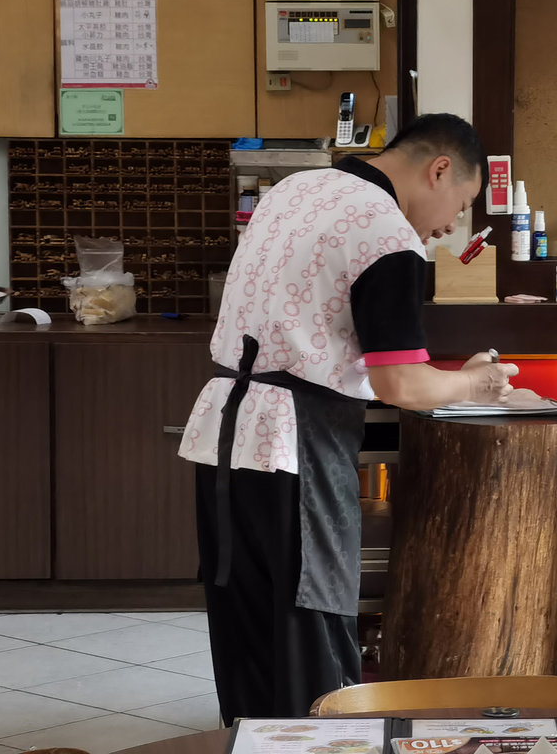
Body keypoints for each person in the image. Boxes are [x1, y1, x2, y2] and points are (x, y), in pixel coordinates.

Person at [178, 112, 519, 724]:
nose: (448, 226)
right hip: (293, 443)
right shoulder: (387, 235)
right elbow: (403, 384)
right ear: (439, 169)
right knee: (309, 636)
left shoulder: (298, 188)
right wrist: (477, 380)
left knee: (248, 626)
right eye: (460, 203)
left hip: (225, 435)